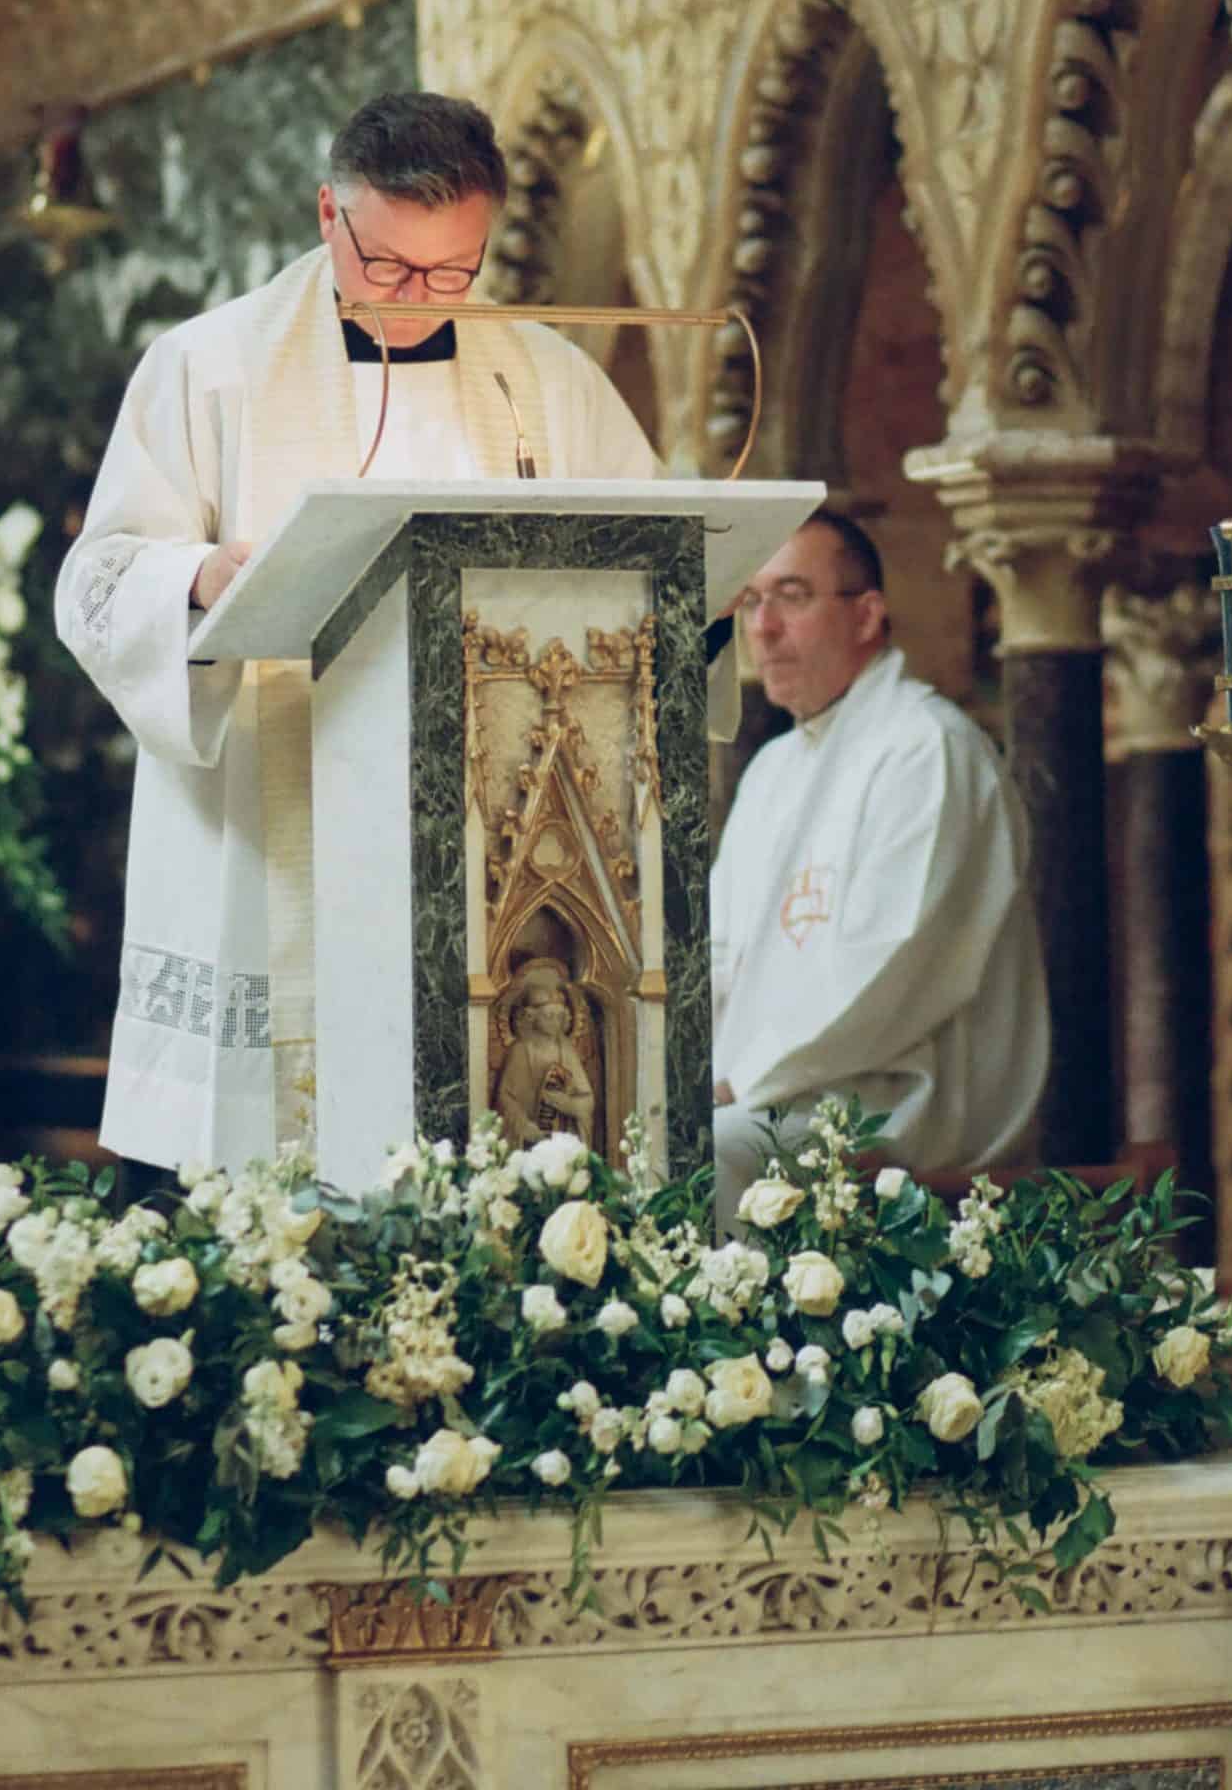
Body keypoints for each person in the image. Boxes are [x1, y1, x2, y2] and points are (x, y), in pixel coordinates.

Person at [55, 91, 656, 1177]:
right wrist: (198, 576)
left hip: (494, 830)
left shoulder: (542, 378)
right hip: (273, 813)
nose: (418, 301)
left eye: (451, 272)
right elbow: (97, 578)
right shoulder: (211, 367)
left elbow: (650, 567)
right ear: (329, 211)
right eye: (387, 267)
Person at [710, 509, 1049, 1233]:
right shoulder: (773, 770)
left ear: (867, 615)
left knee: (702, 1153)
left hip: (892, 1107)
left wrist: (739, 1078)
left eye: (793, 596)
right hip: (777, 1098)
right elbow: (716, 959)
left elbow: (890, 967)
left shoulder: (924, 748)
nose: (762, 627)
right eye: (753, 600)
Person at [494, 963, 596, 1148]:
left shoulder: (566, 1050)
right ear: (531, 1016)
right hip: (528, 1146)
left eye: (559, 1016)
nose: (555, 1022)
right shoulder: (521, 1050)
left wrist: (569, 1104)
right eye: (549, 1016)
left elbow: (587, 1100)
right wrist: (524, 1126)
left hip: (561, 1141)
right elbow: (505, 1099)